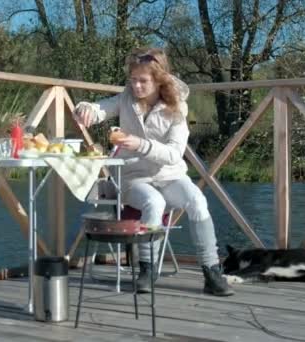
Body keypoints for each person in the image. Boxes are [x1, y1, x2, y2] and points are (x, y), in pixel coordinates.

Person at [73, 47, 234, 296]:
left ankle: (211, 271)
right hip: (132, 178)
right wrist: (85, 109)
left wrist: (140, 144)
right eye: (133, 80)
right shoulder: (126, 98)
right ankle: (147, 270)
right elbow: (101, 109)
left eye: (143, 81)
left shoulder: (177, 107)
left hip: (170, 175)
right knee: (154, 202)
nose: (136, 86)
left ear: (159, 80)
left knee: (197, 200)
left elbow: (173, 154)